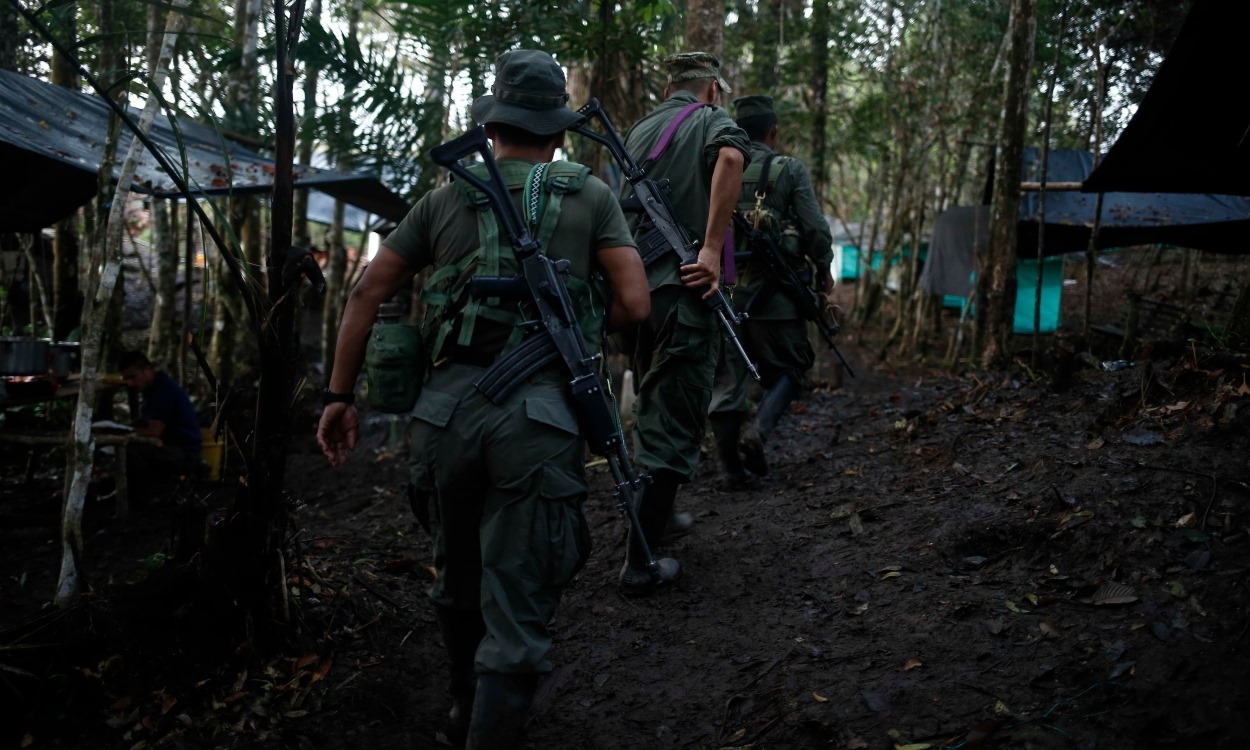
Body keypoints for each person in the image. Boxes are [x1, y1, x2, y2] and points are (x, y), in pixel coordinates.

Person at [315, 50, 652, 750]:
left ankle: (460, 707)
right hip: (539, 419)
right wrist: (576, 329)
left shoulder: (444, 197)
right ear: (558, 130)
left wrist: (339, 396)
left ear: (493, 128)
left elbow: (367, 294)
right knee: (518, 598)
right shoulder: (589, 194)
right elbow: (635, 303)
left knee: (456, 571)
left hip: (443, 418)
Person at [615, 52, 750, 595]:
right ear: (712, 89)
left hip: (633, 295)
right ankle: (639, 563)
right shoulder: (709, 119)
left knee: (652, 402)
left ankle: (661, 517)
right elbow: (733, 160)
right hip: (683, 290)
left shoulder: (637, 129)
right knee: (673, 416)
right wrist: (713, 248)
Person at [707, 95, 835, 480]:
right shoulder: (787, 170)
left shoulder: (716, 168)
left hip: (725, 294)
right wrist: (824, 268)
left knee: (730, 382)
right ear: (773, 132)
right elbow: (813, 228)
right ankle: (758, 433)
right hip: (776, 298)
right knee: (793, 369)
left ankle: (732, 472)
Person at [116, 350, 202, 502]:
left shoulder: (163, 390)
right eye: (126, 379)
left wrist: (124, 432)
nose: (129, 383)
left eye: (133, 376)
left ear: (148, 371)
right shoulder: (153, 387)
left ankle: (141, 499)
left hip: (185, 453)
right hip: (174, 444)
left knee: (132, 450)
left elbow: (154, 432)